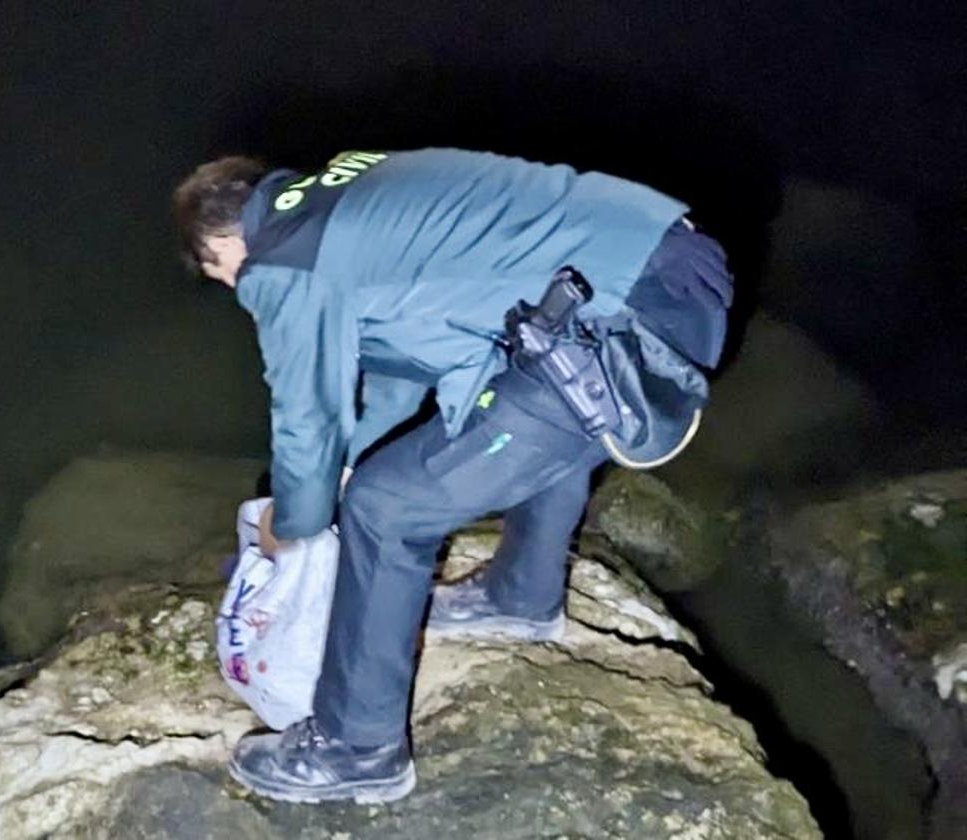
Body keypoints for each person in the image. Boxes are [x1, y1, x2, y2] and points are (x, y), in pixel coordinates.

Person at [172, 148, 733, 804]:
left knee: (387, 509)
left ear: (222, 245)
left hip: (620, 319)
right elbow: (398, 371)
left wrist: (295, 529)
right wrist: (349, 466)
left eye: (223, 277)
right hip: (669, 271)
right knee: (527, 407)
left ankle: (359, 749)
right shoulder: (348, 190)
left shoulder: (284, 260)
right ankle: (520, 599)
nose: (239, 293)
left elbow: (308, 417)